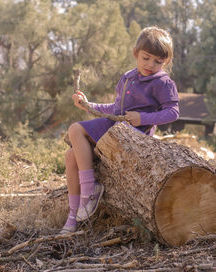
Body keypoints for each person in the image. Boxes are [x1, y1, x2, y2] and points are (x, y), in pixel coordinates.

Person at [60, 26, 180, 233]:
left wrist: (142, 118)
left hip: (135, 136)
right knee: (70, 155)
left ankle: (90, 191)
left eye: (158, 61)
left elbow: (173, 112)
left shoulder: (163, 83)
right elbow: (116, 109)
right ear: (136, 53)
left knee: (75, 129)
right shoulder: (127, 78)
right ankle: (73, 214)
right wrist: (89, 106)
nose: (151, 65)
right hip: (115, 128)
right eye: (146, 58)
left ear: (166, 62)